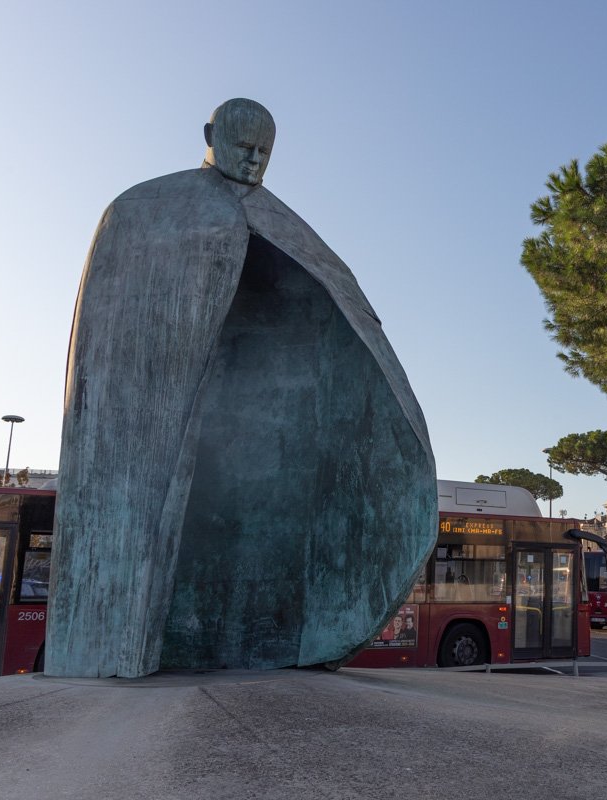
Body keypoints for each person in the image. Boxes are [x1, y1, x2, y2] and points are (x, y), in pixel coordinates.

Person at [46, 99, 437, 679]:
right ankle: (115, 642)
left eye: (264, 151)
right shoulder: (141, 211)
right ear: (209, 135)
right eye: (242, 146)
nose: (254, 159)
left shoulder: (293, 231)